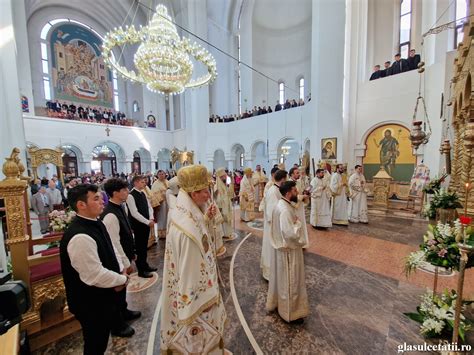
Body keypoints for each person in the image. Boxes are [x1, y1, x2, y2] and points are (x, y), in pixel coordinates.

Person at [160, 165, 226, 353]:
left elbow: (198, 230)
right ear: (192, 193)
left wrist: (206, 218)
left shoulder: (184, 211)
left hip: (189, 284)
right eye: (205, 191)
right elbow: (191, 271)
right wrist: (201, 303)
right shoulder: (187, 230)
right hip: (196, 300)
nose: (208, 195)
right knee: (198, 339)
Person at [60, 184, 129, 354]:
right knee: (95, 343)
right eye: (96, 199)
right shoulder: (80, 236)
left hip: (102, 298)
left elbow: (110, 248)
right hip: (90, 303)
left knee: (101, 338)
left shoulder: (96, 222)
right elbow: (94, 275)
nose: (102, 202)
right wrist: (122, 279)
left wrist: (121, 268)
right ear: (81, 205)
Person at [101, 178, 141, 337]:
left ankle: (124, 311)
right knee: (116, 292)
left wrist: (133, 252)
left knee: (123, 289)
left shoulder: (119, 207)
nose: (127, 192)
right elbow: (114, 242)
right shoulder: (110, 214)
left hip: (125, 255)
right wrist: (125, 263)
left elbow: (125, 233)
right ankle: (117, 326)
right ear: (115, 193)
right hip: (116, 261)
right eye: (124, 189)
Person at [266, 181, 309, 323]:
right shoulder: (284, 209)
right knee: (291, 282)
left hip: (284, 251)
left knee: (284, 282)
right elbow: (289, 234)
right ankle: (290, 313)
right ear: (288, 193)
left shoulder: (282, 204)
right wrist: (298, 224)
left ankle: (282, 307)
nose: (297, 192)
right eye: (295, 190)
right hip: (290, 252)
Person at [127, 175, 156, 278]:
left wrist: (151, 218)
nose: (145, 184)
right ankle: (141, 270)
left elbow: (149, 206)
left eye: (144, 182)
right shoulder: (131, 196)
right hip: (138, 225)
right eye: (142, 182)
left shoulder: (143, 193)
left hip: (146, 223)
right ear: (136, 183)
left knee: (144, 247)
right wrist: (147, 222)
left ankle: (145, 265)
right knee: (140, 248)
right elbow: (134, 213)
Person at [261, 169, 287, 281]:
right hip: (272, 227)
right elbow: (271, 213)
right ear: (282, 179)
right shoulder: (273, 191)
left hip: (276, 226)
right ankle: (270, 273)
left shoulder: (277, 189)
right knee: (271, 249)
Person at [289, 167, 310, 247]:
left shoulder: (298, 182)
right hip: (294, 207)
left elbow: (300, 192)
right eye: (297, 173)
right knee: (296, 224)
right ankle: (296, 242)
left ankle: (302, 242)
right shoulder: (289, 183)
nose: (299, 174)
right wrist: (302, 196)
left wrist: (306, 194)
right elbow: (291, 197)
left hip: (300, 206)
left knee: (301, 223)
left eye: (299, 172)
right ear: (292, 174)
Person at [215, 168, 234, 240]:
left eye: (225, 176)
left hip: (226, 204)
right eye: (223, 176)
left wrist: (231, 183)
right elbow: (217, 199)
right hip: (222, 206)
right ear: (220, 177)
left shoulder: (223, 184)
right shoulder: (216, 186)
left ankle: (228, 233)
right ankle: (224, 233)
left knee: (227, 219)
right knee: (224, 219)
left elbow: (228, 193)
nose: (225, 177)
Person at [151, 170, 169, 239]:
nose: (161, 175)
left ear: (165, 174)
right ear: (157, 175)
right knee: (162, 217)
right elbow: (153, 194)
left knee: (168, 217)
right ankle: (161, 233)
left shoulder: (168, 182)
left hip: (168, 202)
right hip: (161, 203)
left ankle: (168, 232)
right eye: (160, 174)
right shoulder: (155, 184)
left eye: (162, 174)